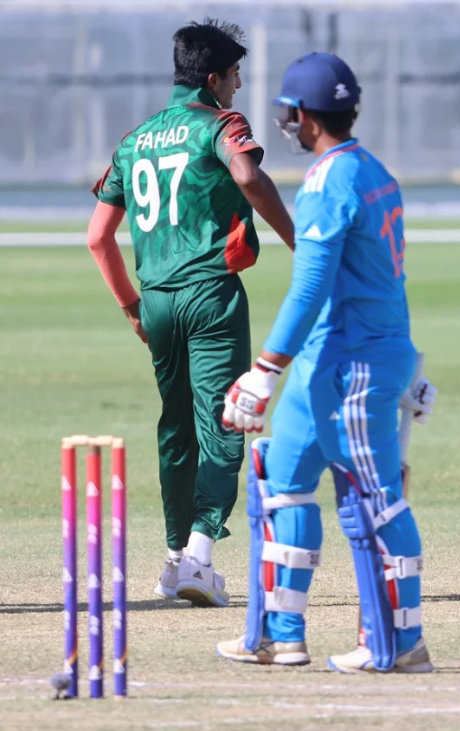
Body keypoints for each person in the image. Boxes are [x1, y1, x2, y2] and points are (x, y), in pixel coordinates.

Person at [214, 52, 435, 672]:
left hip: (356, 366)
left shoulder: (329, 179)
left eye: (290, 112)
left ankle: (402, 640)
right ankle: (281, 635)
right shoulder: (375, 172)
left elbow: (310, 287)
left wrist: (263, 371)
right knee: (279, 486)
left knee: (377, 502)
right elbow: (386, 277)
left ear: (304, 116)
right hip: (328, 361)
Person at [86, 19, 295, 607]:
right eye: (233, 77)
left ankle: (177, 559)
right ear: (212, 78)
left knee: (176, 427)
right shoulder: (220, 124)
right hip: (210, 295)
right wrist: (301, 242)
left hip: (155, 301)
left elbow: (99, 238)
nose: (237, 88)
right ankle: (201, 558)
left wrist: (131, 306)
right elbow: (248, 174)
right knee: (228, 422)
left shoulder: (135, 139)